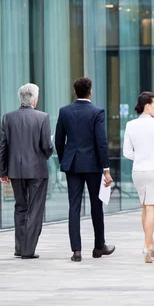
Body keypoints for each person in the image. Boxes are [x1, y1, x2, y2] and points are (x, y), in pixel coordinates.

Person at [54, 77, 115, 262]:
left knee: (74, 206)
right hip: (93, 164)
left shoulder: (64, 111)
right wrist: (106, 168)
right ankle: (99, 247)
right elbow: (101, 142)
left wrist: (66, 158)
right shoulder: (97, 112)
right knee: (97, 206)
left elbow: (58, 140)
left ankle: (76, 251)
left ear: (75, 92)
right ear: (90, 92)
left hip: (72, 164)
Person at [0, 83, 54, 259]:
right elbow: (47, 146)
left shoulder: (8, 118)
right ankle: (28, 250)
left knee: (20, 207)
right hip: (37, 170)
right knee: (35, 209)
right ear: (35, 100)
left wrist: (2, 171)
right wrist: (45, 155)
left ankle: (20, 247)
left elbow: (2, 147)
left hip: (15, 171)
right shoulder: (42, 117)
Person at [123, 92, 154, 263]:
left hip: (138, 171)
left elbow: (127, 152)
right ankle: (146, 246)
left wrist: (140, 157)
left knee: (144, 207)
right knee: (151, 208)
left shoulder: (130, 125)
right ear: (147, 106)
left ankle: (151, 243)